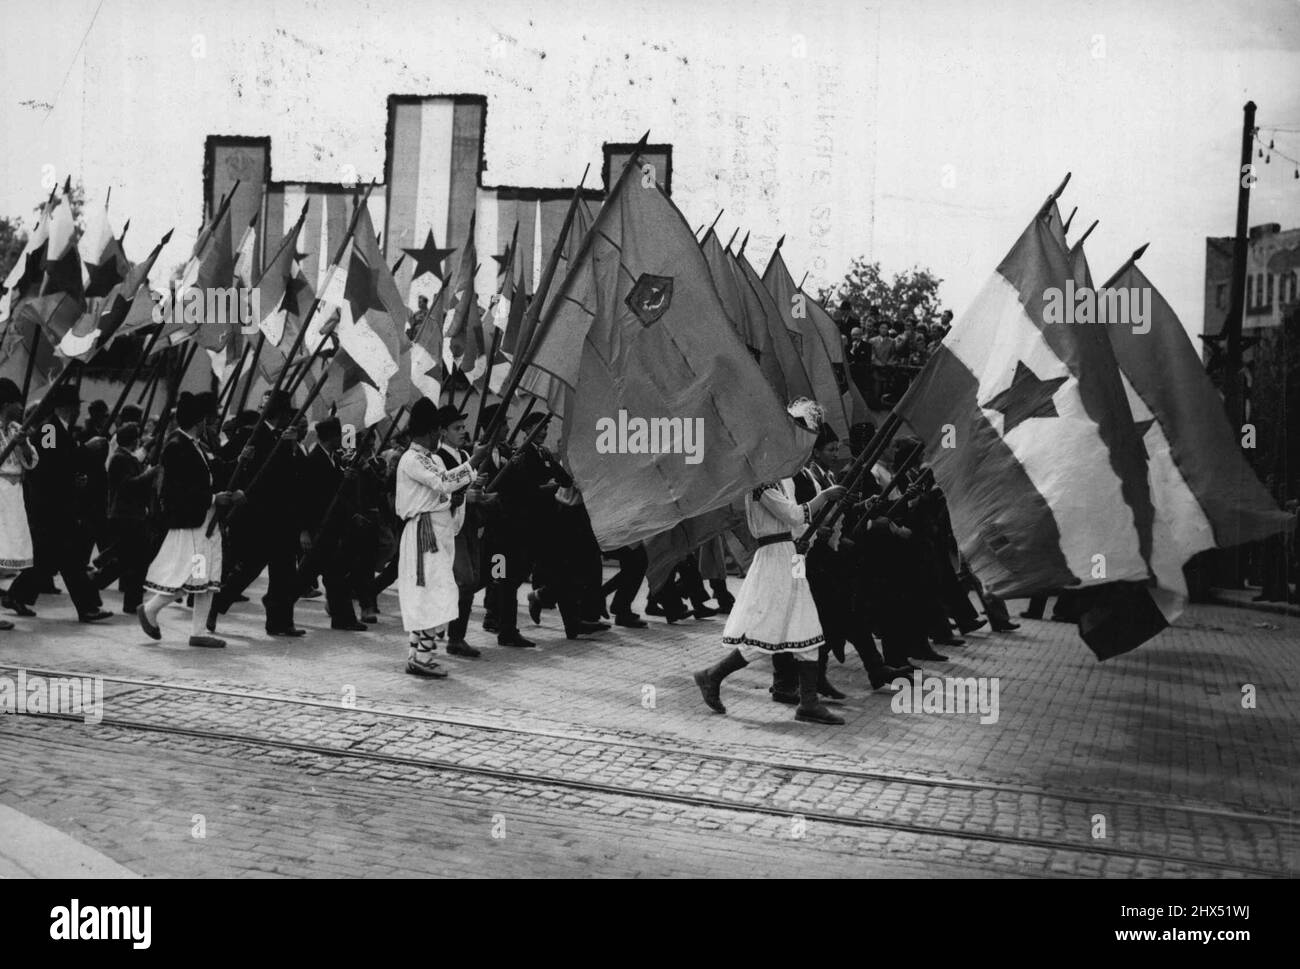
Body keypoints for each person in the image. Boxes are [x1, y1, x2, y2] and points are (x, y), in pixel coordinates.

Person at [693, 399, 846, 726]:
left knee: (807, 629)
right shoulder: (763, 479)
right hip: (773, 557)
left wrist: (809, 535)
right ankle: (713, 675)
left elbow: (794, 522)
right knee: (768, 632)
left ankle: (808, 702)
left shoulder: (783, 477)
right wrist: (824, 498)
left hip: (788, 555)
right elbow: (790, 514)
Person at [397, 398, 491, 678]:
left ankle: (418, 655)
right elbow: (445, 483)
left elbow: (446, 486)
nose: (440, 435)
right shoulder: (412, 459)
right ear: (428, 431)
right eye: (437, 430)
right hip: (425, 533)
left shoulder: (428, 459)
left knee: (433, 594)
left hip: (437, 531)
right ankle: (422, 658)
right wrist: (473, 460)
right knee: (433, 594)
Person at [3, 384, 111, 621]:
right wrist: (86, 450)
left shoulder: (61, 429)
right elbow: (52, 462)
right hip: (50, 505)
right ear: (65, 407)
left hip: (59, 504)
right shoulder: (50, 429)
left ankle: (17, 595)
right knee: (69, 558)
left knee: (48, 559)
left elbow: (64, 463)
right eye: (74, 406)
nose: (76, 411)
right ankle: (87, 606)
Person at [138, 392, 238, 647]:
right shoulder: (177, 446)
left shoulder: (195, 445)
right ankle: (152, 611)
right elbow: (178, 490)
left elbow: (212, 473)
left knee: (201, 577)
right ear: (198, 421)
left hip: (203, 521)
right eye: (205, 419)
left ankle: (197, 629)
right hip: (192, 523)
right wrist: (213, 499)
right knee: (193, 575)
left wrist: (239, 461)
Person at [209, 390, 304, 637]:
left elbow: (293, 477)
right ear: (281, 413)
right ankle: (215, 605)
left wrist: (292, 447)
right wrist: (240, 484)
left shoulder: (286, 439)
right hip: (257, 517)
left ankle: (280, 623)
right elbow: (223, 464)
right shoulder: (249, 434)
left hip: (284, 518)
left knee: (284, 573)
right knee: (248, 569)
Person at [297, 417, 367, 631]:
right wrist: (304, 532)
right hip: (318, 528)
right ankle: (277, 603)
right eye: (340, 436)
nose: (343, 440)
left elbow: (335, 491)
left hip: (330, 528)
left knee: (334, 574)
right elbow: (305, 499)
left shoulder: (331, 458)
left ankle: (343, 618)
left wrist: (346, 477)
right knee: (306, 577)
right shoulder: (314, 460)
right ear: (332, 437)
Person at [96, 422, 159, 614]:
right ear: (134, 441)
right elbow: (128, 486)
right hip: (126, 516)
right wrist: (149, 474)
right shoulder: (120, 459)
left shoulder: (126, 458)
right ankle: (94, 583)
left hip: (133, 516)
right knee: (130, 561)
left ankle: (131, 601)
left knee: (132, 561)